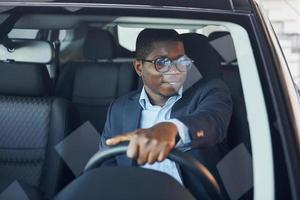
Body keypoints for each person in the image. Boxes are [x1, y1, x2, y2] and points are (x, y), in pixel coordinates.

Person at [99, 28, 232, 194]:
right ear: (139, 67)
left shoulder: (210, 92)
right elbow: (105, 166)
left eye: (181, 62)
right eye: (162, 63)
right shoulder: (119, 109)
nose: (175, 71)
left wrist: (171, 128)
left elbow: (212, 122)